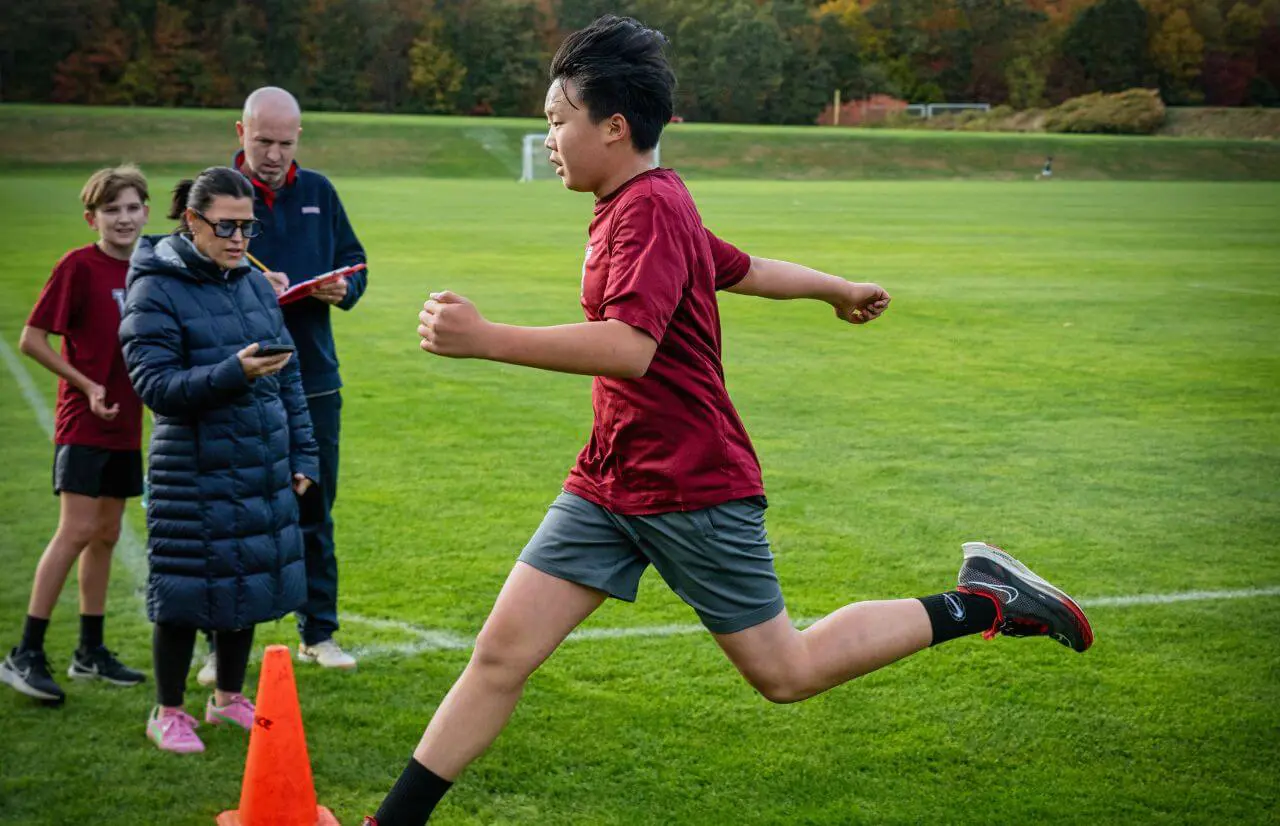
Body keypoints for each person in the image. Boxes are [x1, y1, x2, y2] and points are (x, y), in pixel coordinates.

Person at [363, 16, 1094, 826]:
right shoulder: (634, 205)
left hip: (689, 483)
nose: (550, 137)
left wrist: (487, 339)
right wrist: (835, 288)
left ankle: (985, 601)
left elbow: (629, 347)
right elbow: (742, 269)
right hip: (611, 478)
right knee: (501, 655)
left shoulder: (650, 210)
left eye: (557, 120)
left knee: (787, 672)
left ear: (613, 127)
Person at [119, 167, 319, 754]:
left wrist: (303, 451)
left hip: (258, 463)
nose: (238, 239)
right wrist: (232, 373)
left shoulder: (254, 283)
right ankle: (168, 710)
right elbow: (154, 385)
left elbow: (290, 376)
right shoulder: (155, 287)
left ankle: (228, 697)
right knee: (184, 591)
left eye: (248, 228)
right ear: (191, 220)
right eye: (226, 226)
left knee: (249, 578)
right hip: (193, 470)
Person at [207, 85, 367, 674]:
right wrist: (253, 287)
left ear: (298, 137)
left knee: (314, 512)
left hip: (314, 379)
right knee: (230, 514)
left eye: (284, 141)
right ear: (239, 133)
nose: (273, 153)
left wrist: (343, 287)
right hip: (238, 378)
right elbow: (191, 275)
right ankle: (217, 647)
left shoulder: (319, 192)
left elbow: (357, 261)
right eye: (262, 140)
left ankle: (318, 633)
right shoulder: (216, 194)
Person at [0, 165, 152, 705]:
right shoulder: (78, 267)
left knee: (107, 533)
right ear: (93, 217)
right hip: (84, 422)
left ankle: (90, 651)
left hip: (127, 425)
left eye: (132, 207)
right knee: (77, 530)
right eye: (112, 210)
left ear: (146, 212)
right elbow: (31, 338)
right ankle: (25, 652)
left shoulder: (148, 269)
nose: (124, 218)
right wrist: (86, 385)